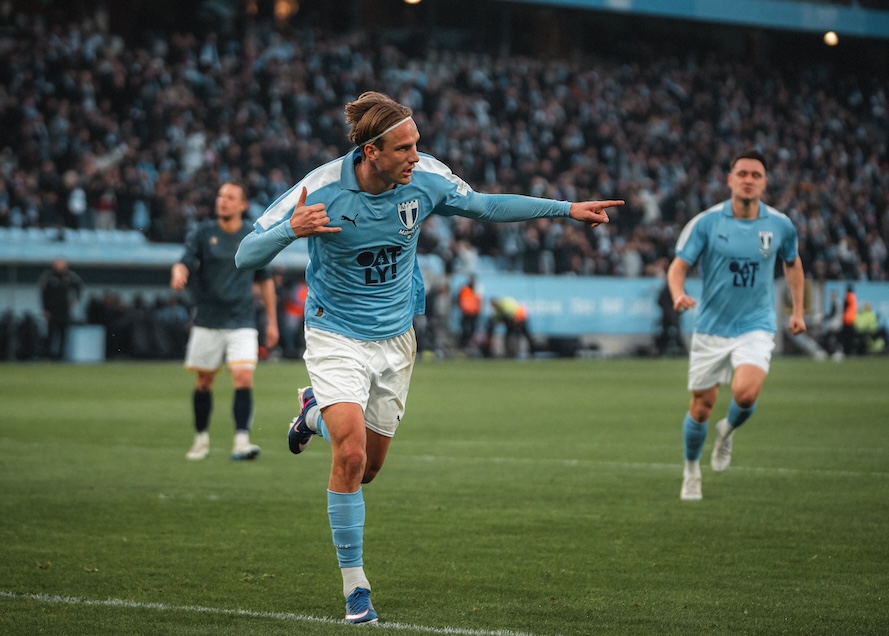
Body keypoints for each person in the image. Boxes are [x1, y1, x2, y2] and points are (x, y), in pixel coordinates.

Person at [234, 91, 622, 624]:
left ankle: (312, 413)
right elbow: (245, 255)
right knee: (350, 456)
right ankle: (355, 588)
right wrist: (289, 231)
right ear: (371, 152)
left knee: (370, 469)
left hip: (396, 339)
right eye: (405, 148)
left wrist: (566, 210)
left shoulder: (426, 178)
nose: (416, 156)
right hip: (335, 334)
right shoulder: (318, 189)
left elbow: (485, 205)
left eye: (417, 144)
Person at [666, 149, 805, 502]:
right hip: (712, 326)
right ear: (729, 180)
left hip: (756, 323)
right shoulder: (706, 222)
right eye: (742, 173)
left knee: (746, 393)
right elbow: (678, 265)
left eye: (755, 175)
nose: (748, 180)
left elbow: (792, 262)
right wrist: (678, 293)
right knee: (701, 407)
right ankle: (691, 470)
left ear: (765, 182)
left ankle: (727, 430)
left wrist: (798, 310)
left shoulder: (780, 225)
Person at [170, 181, 279, 461]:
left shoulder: (252, 236)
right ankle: (201, 440)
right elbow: (184, 261)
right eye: (220, 196)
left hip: (242, 320)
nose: (223, 201)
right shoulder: (203, 233)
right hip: (208, 320)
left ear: (243, 205)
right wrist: (179, 272)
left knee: (243, 377)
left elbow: (265, 281)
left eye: (230, 197)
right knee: (204, 381)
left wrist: (272, 321)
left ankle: (242, 442)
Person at [38, 258, 84, 361]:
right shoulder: (49, 277)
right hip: (52, 311)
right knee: (50, 334)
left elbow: (79, 286)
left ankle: (61, 356)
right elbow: (43, 294)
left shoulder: (69, 276)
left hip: (64, 310)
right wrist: (45, 308)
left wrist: (76, 299)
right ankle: (48, 355)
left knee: (63, 334)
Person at [456, 274, 482, 351]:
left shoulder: (477, 289)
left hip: (474, 313)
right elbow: (459, 300)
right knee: (465, 329)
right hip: (466, 313)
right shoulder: (464, 289)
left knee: (472, 330)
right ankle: (463, 345)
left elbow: (478, 301)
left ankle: (469, 344)